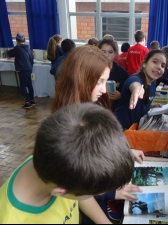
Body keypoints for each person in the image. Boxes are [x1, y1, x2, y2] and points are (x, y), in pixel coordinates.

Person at [51, 45, 145, 223]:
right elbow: (77, 185)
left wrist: (126, 152)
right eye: (100, 81)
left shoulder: (89, 105)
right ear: (82, 78)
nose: (104, 89)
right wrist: (112, 193)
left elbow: (98, 148)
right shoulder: (70, 124)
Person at [0, 102, 135, 224]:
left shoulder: (52, 162)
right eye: (95, 193)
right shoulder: (12, 219)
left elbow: (82, 197)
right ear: (60, 192)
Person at [115, 50, 166, 130]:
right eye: (155, 62)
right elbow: (135, 85)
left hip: (137, 130)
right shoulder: (135, 78)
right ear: (144, 64)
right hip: (120, 130)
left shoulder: (153, 84)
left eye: (163, 66)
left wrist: (152, 107)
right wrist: (137, 90)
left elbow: (143, 106)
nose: (159, 67)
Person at [98, 38, 129, 112]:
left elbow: (128, 93)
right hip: (97, 108)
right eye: (103, 52)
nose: (106, 55)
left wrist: (120, 95)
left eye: (110, 52)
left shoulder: (122, 72)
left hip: (116, 110)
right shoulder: (93, 70)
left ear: (115, 53)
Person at [7, 32, 35, 109]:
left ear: (16, 40)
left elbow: (9, 53)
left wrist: (7, 50)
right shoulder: (28, 48)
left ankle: (27, 102)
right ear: (24, 40)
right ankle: (32, 100)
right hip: (29, 68)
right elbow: (31, 59)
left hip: (23, 69)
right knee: (29, 85)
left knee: (22, 86)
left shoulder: (18, 48)